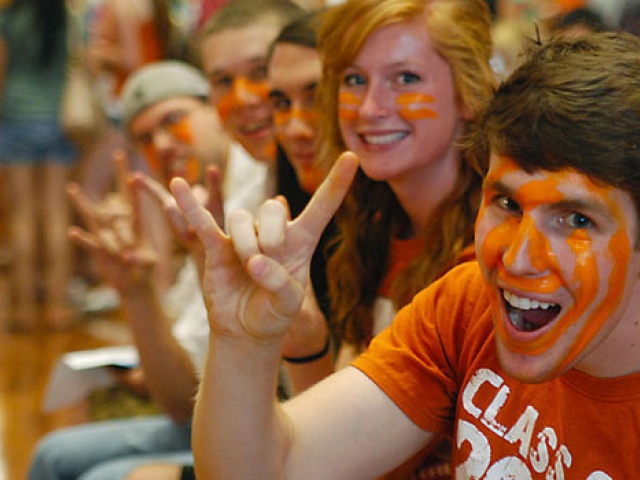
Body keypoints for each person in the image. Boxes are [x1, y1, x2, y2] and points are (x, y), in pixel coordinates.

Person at [173, 30, 640, 478]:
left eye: (578, 221)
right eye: (507, 204)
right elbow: (272, 470)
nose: (518, 260)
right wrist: (241, 344)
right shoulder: (468, 305)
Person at [27, 61, 229, 480]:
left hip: (266, 425)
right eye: (145, 137)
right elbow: (185, 400)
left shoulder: (251, 194)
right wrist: (134, 291)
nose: (164, 143)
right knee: (52, 453)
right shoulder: (194, 206)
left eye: (174, 119)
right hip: (219, 415)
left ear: (216, 109)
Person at [0, 0, 79, 330]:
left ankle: (24, 307)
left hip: (16, 117)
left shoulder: (10, 17)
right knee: (57, 215)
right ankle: (59, 305)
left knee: (22, 215)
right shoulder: (64, 15)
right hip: (58, 118)